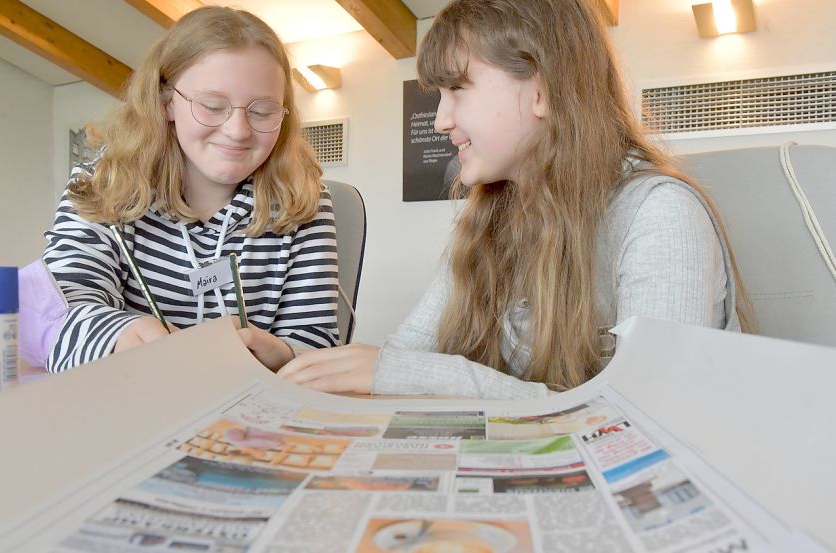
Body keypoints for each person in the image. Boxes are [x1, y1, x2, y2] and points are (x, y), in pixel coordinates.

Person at [278, 0, 755, 398]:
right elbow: (404, 356)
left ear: (541, 90)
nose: (441, 119)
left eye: (457, 89)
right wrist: (297, 362)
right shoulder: (488, 215)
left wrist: (412, 376)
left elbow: (642, 415)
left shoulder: (659, 213)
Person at [43, 6, 338, 373]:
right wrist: (122, 333)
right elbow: (60, 313)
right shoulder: (101, 184)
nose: (238, 130)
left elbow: (316, 339)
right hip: (126, 400)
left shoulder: (304, 198)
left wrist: (283, 353)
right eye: (212, 106)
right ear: (166, 102)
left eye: (262, 111)